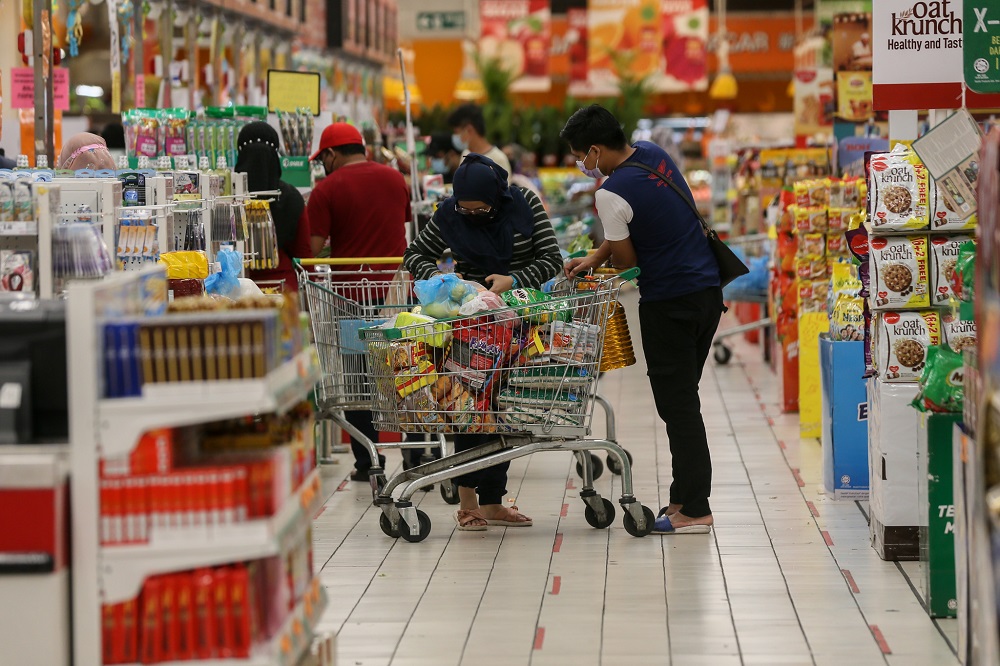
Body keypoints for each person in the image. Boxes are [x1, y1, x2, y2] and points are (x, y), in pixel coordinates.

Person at [560, 104, 723, 535]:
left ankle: (695, 507)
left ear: (595, 150)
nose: (581, 165)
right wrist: (596, 256)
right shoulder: (654, 154)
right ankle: (681, 496)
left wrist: (602, 274)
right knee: (683, 398)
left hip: (669, 301)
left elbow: (630, 263)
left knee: (679, 406)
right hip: (707, 292)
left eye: (581, 156)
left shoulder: (609, 193)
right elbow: (650, 224)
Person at [403, 154, 562, 530]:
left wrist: (515, 279)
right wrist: (448, 282)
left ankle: (493, 501)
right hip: (469, 327)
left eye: (482, 209)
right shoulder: (448, 214)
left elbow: (552, 257)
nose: (472, 216)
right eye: (466, 210)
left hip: (520, 325)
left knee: (504, 411)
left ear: (497, 197)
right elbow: (415, 254)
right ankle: (468, 504)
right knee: (468, 410)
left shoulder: (525, 206)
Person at [307, 122, 416, 481]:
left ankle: (368, 462)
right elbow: (399, 223)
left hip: (351, 298)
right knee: (404, 374)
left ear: (330, 154)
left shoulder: (326, 189)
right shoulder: (394, 179)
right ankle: (417, 454)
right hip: (395, 297)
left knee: (358, 381)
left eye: (322, 158)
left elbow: (312, 247)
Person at [235, 122, 312, 292]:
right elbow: (304, 254)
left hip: (237, 290)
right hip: (283, 288)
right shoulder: (291, 197)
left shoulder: (228, 198)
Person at [447, 104, 512, 179]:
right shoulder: (466, 154)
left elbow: (504, 189)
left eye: (456, 132)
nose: (455, 137)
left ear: (469, 130)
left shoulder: (498, 159)